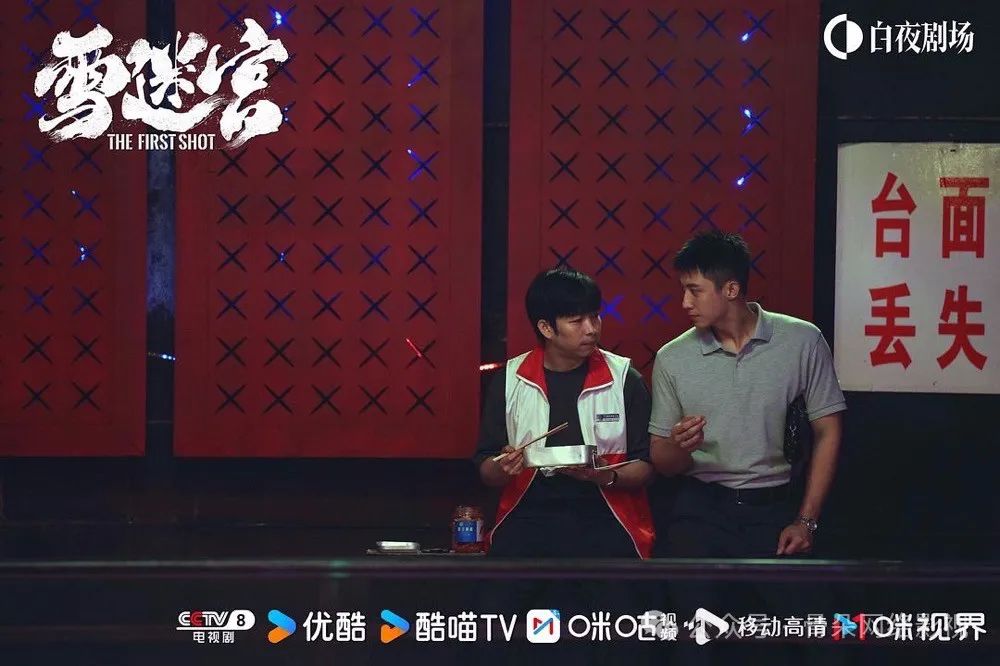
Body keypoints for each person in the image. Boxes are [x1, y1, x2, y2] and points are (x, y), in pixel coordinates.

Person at [649, 231, 846, 663]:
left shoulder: (802, 340)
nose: (684, 303)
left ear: (731, 289)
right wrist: (679, 447)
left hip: (772, 508)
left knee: (824, 636)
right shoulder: (672, 358)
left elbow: (828, 431)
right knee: (690, 641)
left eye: (695, 290)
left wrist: (806, 521)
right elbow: (661, 461)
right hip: (700, 509)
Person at [475, 268, 656, 559]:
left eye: (595, 317)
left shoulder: (624, 378)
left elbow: (645, 465)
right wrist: (502, 466)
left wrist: (603, 476)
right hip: (528, 516)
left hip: (606, 517)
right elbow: (486, 468)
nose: (591, 329)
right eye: (577, 321)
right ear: (546, 328)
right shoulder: (511, 378)